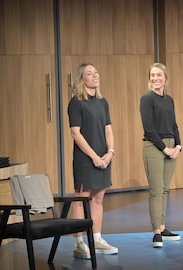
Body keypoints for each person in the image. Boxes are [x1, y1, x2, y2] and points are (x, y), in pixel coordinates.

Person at [68, 63, 118, 259]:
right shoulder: (76, 102)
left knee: (98, 198)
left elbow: (108, 129)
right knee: (82, 198)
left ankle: (96, 239)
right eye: (90, 73)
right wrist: (94, 157)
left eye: (96, 72)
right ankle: (79, 243)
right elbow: (75, 132)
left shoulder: (102, 102)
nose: (95, 75)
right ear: (82, 80)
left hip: (103, 157)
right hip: (86, 158)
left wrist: (110, 152)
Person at [140, 63, 182, 248]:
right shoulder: (147, 99)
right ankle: (156, 231)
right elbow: (149, 129)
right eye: (152, 75)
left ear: (166, 78)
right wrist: (164, 149)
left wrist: (178, 145)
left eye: (159, 75)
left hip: (171, 146)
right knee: (156, 190)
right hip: (154, 147)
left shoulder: (169, 99)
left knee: (165, 189)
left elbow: (174, 125)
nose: (155, 78)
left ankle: (163, 226)